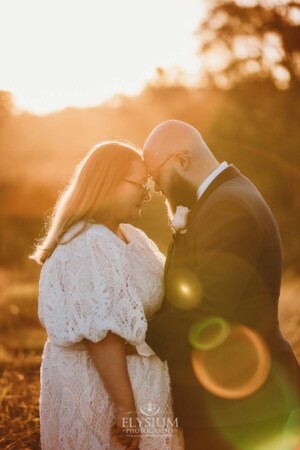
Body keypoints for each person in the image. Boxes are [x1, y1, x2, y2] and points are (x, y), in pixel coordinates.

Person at [143, 120, 300, 450]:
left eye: (158, 182)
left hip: (242, 405)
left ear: (181, 161)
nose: (160, 192)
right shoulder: (221, 199)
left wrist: (135, 338)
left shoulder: (228, 206)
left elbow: (207, 308)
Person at [30, 141, 183, 450]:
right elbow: (103, 335)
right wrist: (126, 411)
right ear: (108, 184)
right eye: (139, 185)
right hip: (107, 395)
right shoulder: (89, 243)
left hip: (140, 388)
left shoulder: (131, 236)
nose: (147, 193)